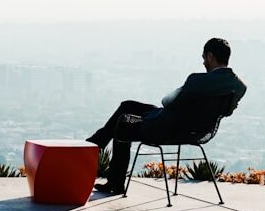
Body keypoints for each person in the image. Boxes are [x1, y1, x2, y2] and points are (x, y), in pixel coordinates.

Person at [87, 38, 247, 194]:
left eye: (204, 58)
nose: (204, 62)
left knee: (124, 122)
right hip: (196, 131)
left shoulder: (197, 81)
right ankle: (97, 143)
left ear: (210, 56)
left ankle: (111, 176)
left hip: (165, 128)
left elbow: (167, 102)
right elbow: (227, 111)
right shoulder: (239, 86)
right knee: (127, 105)